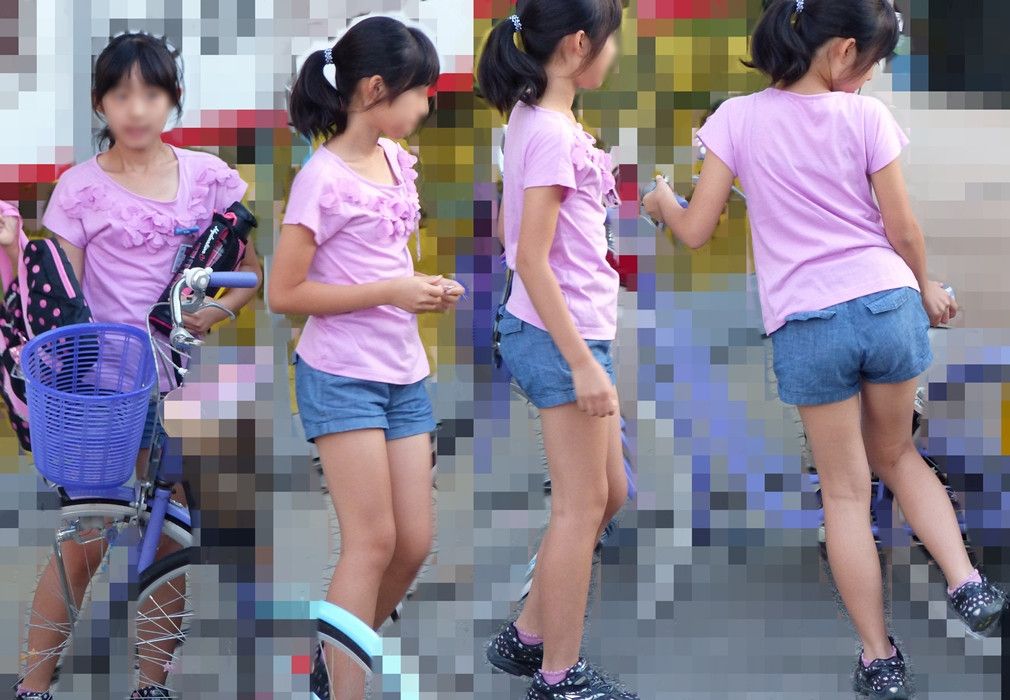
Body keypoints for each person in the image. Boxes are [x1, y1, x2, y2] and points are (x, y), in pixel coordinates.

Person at [643, 1, 1006, 697]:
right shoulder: (864, 118)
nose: (869, 78)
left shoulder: (736, 120)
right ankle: (967, 583)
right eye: (871, 64)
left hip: (808, 324)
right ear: (841, 52)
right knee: (899, 455)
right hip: (887, 304)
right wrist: (925, 286)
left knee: (844, 493)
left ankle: (880, 659)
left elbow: (694, 230)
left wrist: (662, 201)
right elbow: (902, 227)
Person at [15, 31, 261, 700]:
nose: (137, 108)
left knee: (169, 535)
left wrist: (214, 313)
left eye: (151, 93)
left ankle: (151, 686)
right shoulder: (79, 190)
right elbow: (57, 301)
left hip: (178, 387)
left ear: (172, 99)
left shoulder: (209, 178)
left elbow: (249, 273)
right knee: (85, 538)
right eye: (121, 95)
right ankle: (34, 688)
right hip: (99, 394)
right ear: (100, 103)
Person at [268, 16, 461, 700]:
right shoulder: (321, 178)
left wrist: (421, 289)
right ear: (376, 89)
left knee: (413, 542)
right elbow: (284, 293)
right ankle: (344, 685)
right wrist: (392, 291)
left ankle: (337, 660)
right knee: (372, 541)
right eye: (420, 91)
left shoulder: (396, 160)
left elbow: (382, 262)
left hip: (402, 373)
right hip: (341, 376)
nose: (427, 105)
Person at [477, 2, 638, 698]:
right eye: (610, 42)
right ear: (577, 45)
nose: (614, 54)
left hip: (571, 329)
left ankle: (528, 635)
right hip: (560, 336)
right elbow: (529, 258)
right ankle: (558, 675)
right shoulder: (547, 132)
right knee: (581, 506)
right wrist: (581, 363)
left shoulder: (536, 119)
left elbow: (508, 228)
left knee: (609, 493)